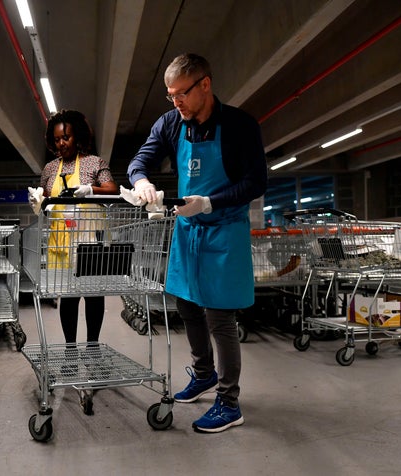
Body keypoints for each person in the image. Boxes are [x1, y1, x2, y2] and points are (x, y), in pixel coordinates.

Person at [127, 54, 267, 433]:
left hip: (224, 229)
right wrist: (141, 181)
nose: (176, 103)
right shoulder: (172, 123)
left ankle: (229, 401)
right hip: (188, 231)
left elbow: (256, 183)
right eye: (170, 96)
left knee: (220, 317)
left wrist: (209, 202)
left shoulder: (240, 125)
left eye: (181, 94)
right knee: (187, 305)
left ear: (205, 84)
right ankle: (204, 373)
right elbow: (140, 160)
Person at [38, 109, 118, 349]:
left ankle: (92, 347)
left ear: (78, 136)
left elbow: (113, 189)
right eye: (57, 139)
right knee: (69, 299)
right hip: (61, 242)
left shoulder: (94, 163)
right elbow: (44, 200)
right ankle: (70, 349)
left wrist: (91, 190)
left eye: (66, 137)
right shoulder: (50, 169)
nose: (61, 143)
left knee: (94, 297)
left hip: (90, 241)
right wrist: (38, 201)